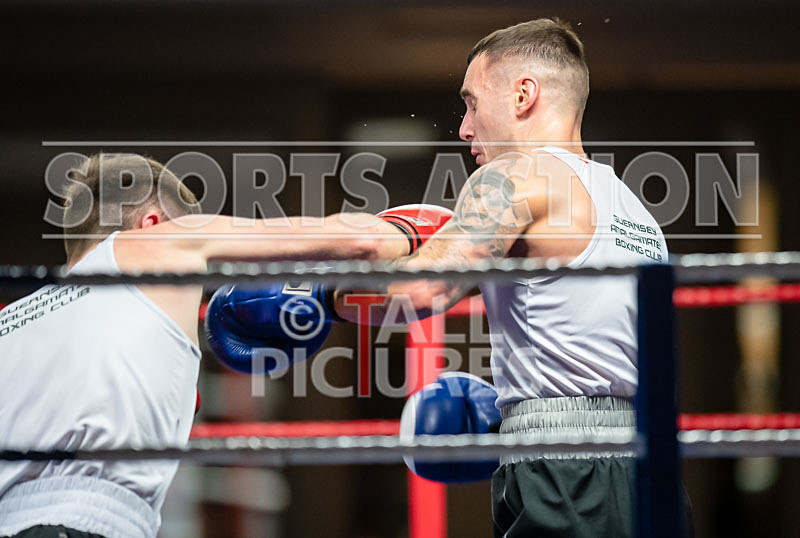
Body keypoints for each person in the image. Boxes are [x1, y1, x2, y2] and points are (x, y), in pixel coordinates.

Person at [328, 18, 682, 537]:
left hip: (567, 478)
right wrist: (511, 414)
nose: (464, 128)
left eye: (472, 102)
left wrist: (321, 293)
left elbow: (418, 290)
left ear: (523, 95)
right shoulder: (634, 210)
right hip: (650, 470)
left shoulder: (514, 175)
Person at [0, 153, 428, 538]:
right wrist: (432, 231)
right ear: (153, 225)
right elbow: (360, 240)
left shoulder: (10, 324)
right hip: (87, 524)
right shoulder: (157, 245)